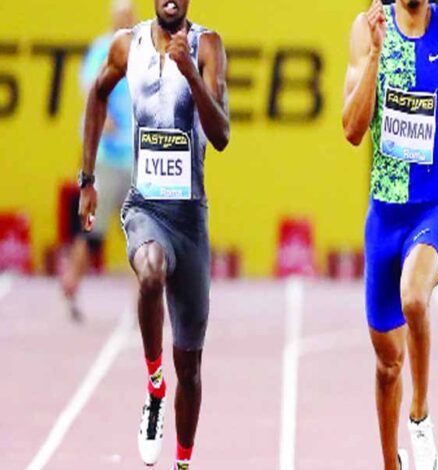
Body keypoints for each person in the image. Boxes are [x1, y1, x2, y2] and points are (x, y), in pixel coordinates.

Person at [77, 0, 230, 468]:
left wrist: (190, 73)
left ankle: (183, 460)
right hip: (145, 207)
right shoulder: (127, 46)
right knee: (149, 271)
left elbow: (221, 135)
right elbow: (96, 97)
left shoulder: (207, 46)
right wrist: (87, 179)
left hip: (190, 217)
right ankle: (154, 383)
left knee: (192, 368)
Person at [342, 0, 438, 468]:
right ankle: (391, 462)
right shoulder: (367, 30)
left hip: (431, 210)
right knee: (387, 365)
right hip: (384, 220)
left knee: (414, 298)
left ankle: (420, 415)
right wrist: (376, 55)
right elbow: (352, 130)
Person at [61, 0, 136, 321]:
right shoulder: (102, 50)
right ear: (113, 19)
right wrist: (104, 120)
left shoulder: (142, 48)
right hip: (106, 157)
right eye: (122, 16)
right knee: (92, 232)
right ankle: (71, 284)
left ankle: (143, 305)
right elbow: (90, 89)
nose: (127, 20)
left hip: (135, 158)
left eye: (130, 15)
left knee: (141, 235)